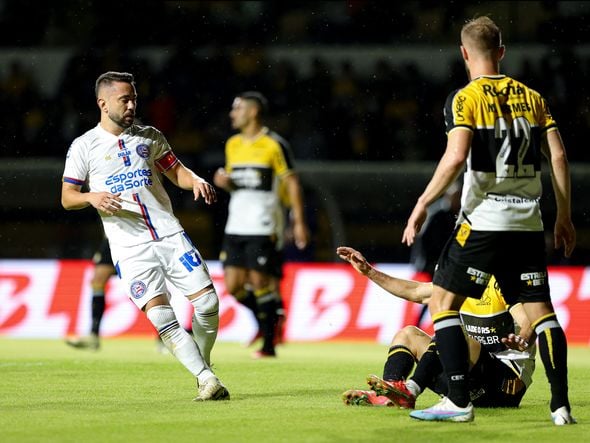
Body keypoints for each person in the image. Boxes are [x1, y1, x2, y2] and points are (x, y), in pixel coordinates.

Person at [402, 16, 576, 424]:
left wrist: (423, 202)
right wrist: (564, 216)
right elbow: (559, 157)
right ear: (502, 51)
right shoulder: (532, 97)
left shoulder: (464, 98)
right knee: (542, 314)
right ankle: (560, 405)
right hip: (528, 222)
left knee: (443, 304)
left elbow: (457, 156)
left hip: (483, 220)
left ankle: (459, 401)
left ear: (464, 53)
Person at [61, 71, 229, 401]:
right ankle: (205, 377)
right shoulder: (84, 146)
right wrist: (90, 197)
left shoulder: (149, 136)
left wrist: (194, 180)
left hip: (168, 233)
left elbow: (175, 170)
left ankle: (203, 361)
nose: (132, 105)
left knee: (208, 303)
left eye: (134, 98)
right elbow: (68, 196)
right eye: (125, 99)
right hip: (128, 246)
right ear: (103, 103)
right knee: (161, 314)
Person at [337, 246, 535, 410]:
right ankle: (390, 393)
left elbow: (527, 323)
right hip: (466, 383)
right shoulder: (459, 283)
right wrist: (369, 271)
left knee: (453, 333)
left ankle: (411, 389)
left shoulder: (501, 282)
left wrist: (522, 339)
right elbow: (413, 291)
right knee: (408, 334)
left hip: (506, 386)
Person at [213, 91, 309, 358]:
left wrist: (298, 221)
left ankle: (268, 344)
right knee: (233, 286)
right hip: (235, 224)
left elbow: (292, 182)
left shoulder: (274, 144)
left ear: (252, 112)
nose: (232, 114)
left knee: (260, 281)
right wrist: (224, 181)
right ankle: (271, 320)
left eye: (237, 108)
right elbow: (237, 182)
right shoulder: (232, 144)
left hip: (264, 224)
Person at [410, 182, 461, 327]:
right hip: (435, 263)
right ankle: (435, 325)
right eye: (456, 196)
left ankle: (424, 324)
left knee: (436, 295)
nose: (458, 200)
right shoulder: (438, 215)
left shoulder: (454, 214)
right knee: (436, 294)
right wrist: (430, 262)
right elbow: (426, 240)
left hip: (445, 263)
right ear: (448, 197)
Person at [65, 236, 116, 350]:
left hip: (137, 235)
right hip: (112, 237)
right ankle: (94, 335)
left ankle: (162, 335)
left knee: (146, 284)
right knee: (97, 281)